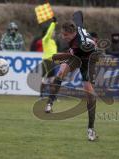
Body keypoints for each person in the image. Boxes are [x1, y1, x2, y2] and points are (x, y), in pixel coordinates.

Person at [46, 11, 98, 141]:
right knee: (60, 73)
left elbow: (72, 53)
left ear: (73, 33)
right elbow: (79, 14)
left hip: (88, 60)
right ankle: (50, 102)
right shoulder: (77, 28)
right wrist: (76, 15)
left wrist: (55, 57)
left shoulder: (78, 43)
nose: (63, 37)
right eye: (63, 34)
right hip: (78, 55)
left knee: (90, 95)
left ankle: (90, 129)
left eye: (66, 35)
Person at [40, 17, 59, 98]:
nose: (54, 33)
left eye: (54, 32)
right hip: (47, 61)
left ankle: (52, 97)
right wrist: (53, 23)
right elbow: (48, 33)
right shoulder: (45, 39)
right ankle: (41, 96)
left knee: (52, 81)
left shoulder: (53, 42)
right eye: (53, 32)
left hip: (53, 62)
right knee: (45, 80)